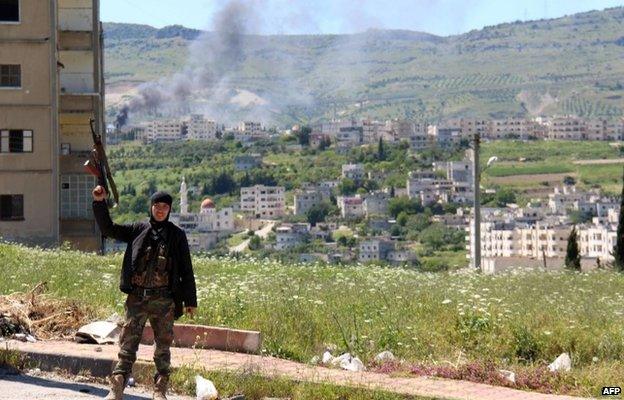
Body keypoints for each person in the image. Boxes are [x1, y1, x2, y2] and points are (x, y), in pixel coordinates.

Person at [92, 185, 197, 400]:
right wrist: (100, 202)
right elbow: (109, 229)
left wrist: (190, 300)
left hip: (164, 300)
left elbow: (186, 268)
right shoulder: (138, 229)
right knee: (128, 344)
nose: (160, 210)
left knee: (163, 346)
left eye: (165, 207)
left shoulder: (177, 235)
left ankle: (160, 390)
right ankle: (117, 387)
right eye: (157, 206)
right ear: (151, 207)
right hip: (137, 298)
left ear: (169, 210)